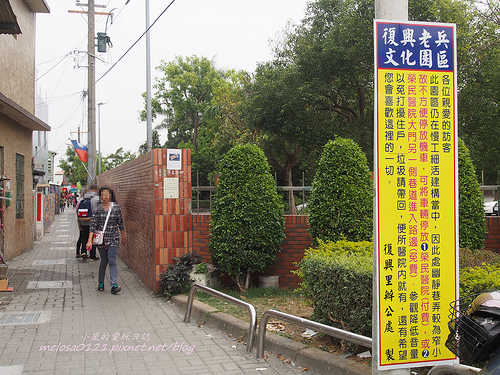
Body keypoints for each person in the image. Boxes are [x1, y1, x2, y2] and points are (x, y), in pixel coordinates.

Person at [86, 187, 126, 294]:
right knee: (104, 261)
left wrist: (123, 236)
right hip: (101, 240)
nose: (105, 197)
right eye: (103, 195)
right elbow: (92, 225)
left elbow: (120, 223)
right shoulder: (97, 209)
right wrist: (89, 241)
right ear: (100, 197)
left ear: (111, 196)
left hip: (113, 238)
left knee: (112, 260)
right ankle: (101, 282)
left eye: (107, 194)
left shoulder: (116, 208)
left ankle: (114, 285)